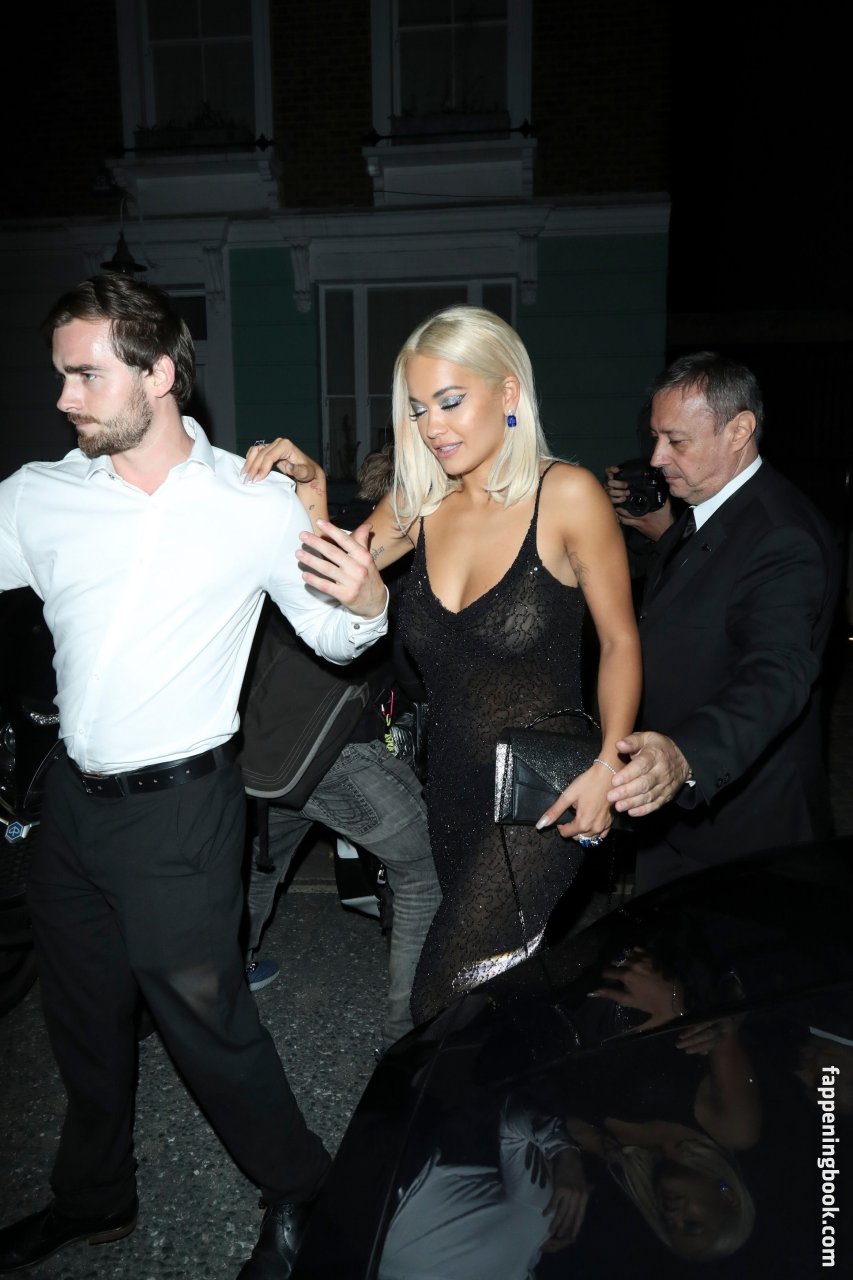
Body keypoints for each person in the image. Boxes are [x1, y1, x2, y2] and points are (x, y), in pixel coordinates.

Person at [0, 273, 389, 1280]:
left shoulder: (247, 502)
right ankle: (95, 1199)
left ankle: (303, 1192)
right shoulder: (38, 497)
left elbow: (335, 636)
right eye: (60, 376)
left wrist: (367, 601)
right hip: (72, 807)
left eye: (84, 375)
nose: (63, 397)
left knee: (207, 1021)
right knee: (81, 1016)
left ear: (159, 374)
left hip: (181, 808)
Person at [244, 304, 642, 1027]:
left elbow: (619, 641)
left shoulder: (567, 495)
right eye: (419, 408)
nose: (433, 426)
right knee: (493, 1004)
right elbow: (327, 574)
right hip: (451, 785)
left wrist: (608, 767)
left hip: (541, 792)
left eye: (451, 402)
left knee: (442, 997)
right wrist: (311, 491)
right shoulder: (419, 502)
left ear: (508, 392)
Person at [603, 351, 840, 891]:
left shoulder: (782, 534)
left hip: (744, 829)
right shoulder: (705, 511)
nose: (657, 457)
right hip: (678, 815)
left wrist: (687, 755)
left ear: (739, 431)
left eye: (677, 441)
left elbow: (776, 673)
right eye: (655, 437)